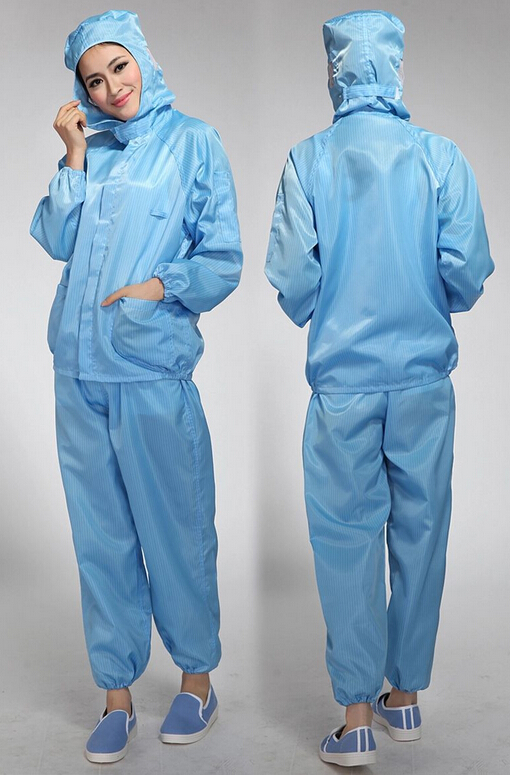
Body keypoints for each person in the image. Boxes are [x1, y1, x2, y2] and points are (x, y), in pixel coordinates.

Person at [265, 9, 493, 769]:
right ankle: (407, 696)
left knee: (346, 539)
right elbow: (467, 274)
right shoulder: (441, 157)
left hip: (344, 386)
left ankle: (357, 718)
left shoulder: (307, 160)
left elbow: (294, 285)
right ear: (395, 67)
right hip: (424, 381)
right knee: (423, 533)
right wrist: (419, 297)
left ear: (333, 73)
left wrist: (340, 295)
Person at [30, 9, 242, 765]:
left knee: (177, 530)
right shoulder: (91, 151)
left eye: (118, 67)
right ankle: (116, 696)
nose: (110, 88)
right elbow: (55, 239)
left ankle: (197, 681)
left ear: (143, 61)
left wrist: (158, 287)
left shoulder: (194, 142)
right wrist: (72, 155)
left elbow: (221, 256)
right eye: (92, 80)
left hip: (151, 370)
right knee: (101, 540)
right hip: (77, 372)